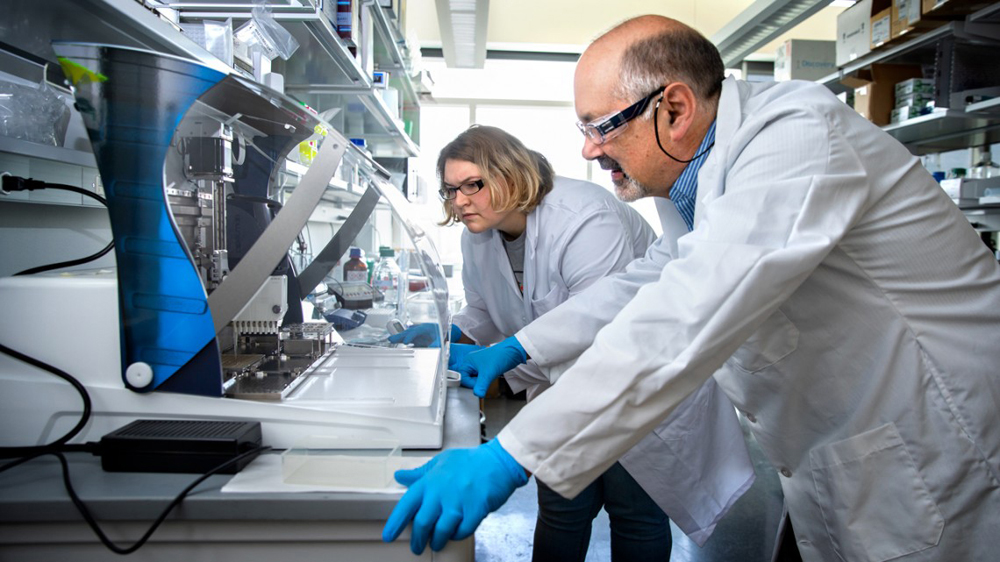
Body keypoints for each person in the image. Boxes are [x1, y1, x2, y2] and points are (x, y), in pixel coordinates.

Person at [384, 14, 1000, 561]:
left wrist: (512, 454)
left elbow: (690, 309)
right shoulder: (696, 187)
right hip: (838, 455)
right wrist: (519, 348)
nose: (588, 149)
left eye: (600, 127)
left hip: (933, 442)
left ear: (674, 110)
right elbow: (642, 284)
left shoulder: (794, 135)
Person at [388, 124, 754, 559]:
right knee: (562, 509)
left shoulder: (583, 217)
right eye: (451, 190)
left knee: (634, 512)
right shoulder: (479, 234)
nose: (460, 201)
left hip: (631, 383)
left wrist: (510, 352)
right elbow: (485, 308)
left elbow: (601, 325)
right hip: (560, 389)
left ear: (510, 173)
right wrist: (448, 333)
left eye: (473, 185)